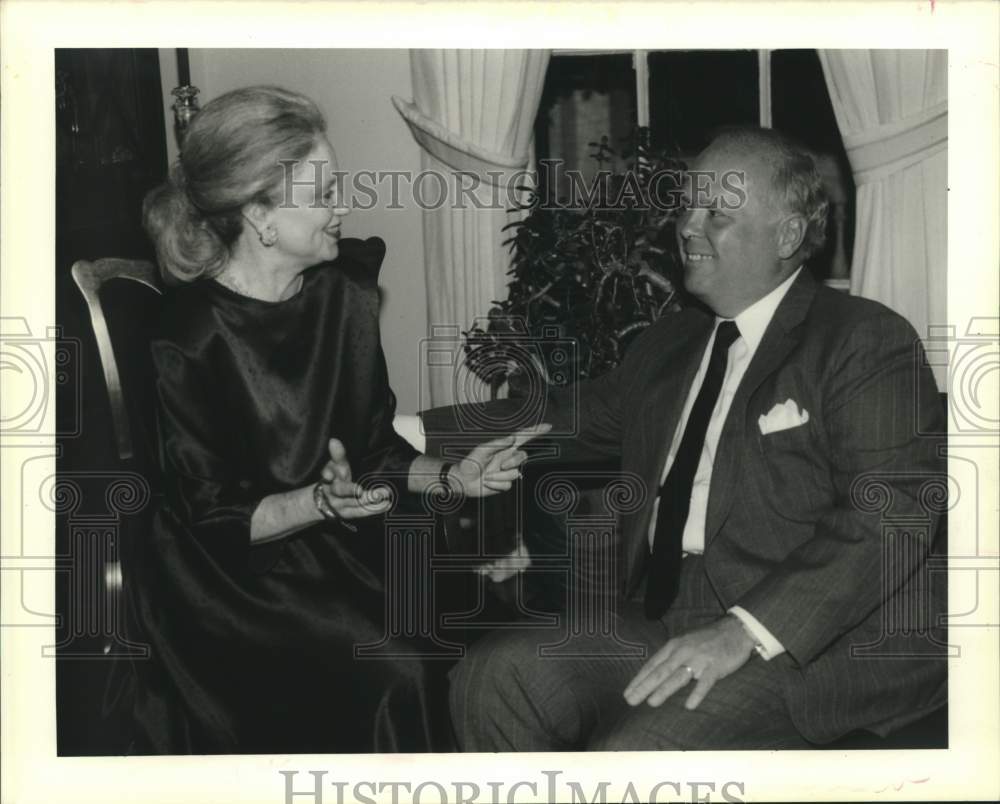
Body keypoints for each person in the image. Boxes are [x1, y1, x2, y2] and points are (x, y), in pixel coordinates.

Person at [448, 127, 947, 750]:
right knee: (495, 678)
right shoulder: (670, 344)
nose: (688, 226)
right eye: (687, 206)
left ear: (789, 236)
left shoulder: (862, 340)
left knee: (637, 754)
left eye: (718, 213)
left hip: (812, 642)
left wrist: (743, 630)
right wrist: (392, 431)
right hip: (669, 617)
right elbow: (554, 415)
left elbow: (892, 514)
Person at [137, 85, 544, 754]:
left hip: (344, 545)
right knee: (400, 672)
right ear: (260, 213)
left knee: (491, 637)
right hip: (234, 582)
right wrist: (316, 502)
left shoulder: (343, 295)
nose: (344, 208)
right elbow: (211, 520)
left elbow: (377, 454)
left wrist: (456, 477)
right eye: (324, 194)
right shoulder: (188, 340)